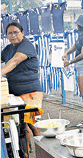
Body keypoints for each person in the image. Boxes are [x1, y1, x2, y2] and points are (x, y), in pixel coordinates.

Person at [1, 21, 44, 158]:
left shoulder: (26, 46)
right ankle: (29, 152)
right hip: (15, 95)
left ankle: (31, 153)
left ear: (23, 33)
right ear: (6, 35)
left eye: (15, 32)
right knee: (25, 125)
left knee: (28, 125)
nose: (13, 35)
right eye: (9, 33)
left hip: (30, 93)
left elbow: (13, 62)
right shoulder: (8, 49)